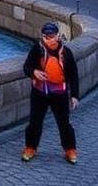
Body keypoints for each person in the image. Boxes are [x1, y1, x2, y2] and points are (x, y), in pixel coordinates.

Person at [22, 22, 80, 164]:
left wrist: (74, 96)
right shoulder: (37, 49)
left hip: (59, 93)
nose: (49, 38)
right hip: (39, 92)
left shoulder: (66, 53)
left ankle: (70, 150)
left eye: (51, 35)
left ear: (57, 35)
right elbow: (26, 67)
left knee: (64, 123)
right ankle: (30, 147)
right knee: (34, 122)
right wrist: (34, 72)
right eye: (46, 36)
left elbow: (73, 75)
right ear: (42, 36)